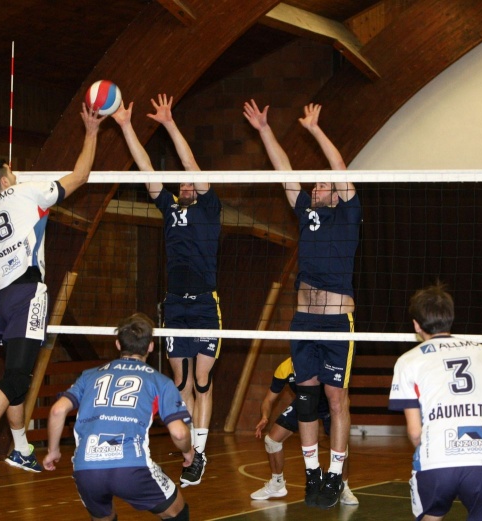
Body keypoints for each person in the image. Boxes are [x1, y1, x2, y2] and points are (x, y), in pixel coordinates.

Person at [0, 103, 105, 487]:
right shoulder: (24, 193)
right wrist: (91, 133)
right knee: (18, 376)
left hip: (1, 300)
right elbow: (81, 176)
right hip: (28, 293)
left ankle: (20, 448)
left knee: (14, 374)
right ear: (5, 180)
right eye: (12, 171)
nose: (16, 174)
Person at [244, 100, 361, 508]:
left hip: (336, 321)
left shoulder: (347, 215)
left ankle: (335, 475)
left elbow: (340, 168)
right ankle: (312, 473)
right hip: (304, 319)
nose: (316, 188)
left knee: (336, 399)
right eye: (316, 185)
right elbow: (284, 172)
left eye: (323, 186)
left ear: (338, 195)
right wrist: (264, 129)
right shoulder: (307, 211)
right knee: (307, 399)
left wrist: (314, 130)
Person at [112, 94, 222, 486]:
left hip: (205, 303)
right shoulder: (170, 207)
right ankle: (190, 450)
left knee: (202, 380)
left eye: (191, 181)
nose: (186, 183)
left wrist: (170, 124)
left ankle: (201, 452)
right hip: (175, 304)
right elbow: (145, 168)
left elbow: (191, 164)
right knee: (181, 383)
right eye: (182, 181)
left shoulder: (209, 208)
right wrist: (126, 126)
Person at [43, 313, 193, 521]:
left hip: (87, 467)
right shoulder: (160, 381)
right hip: (132, 466)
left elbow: (57, 411)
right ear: (150, 346)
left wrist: (53, 451)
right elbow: (179, 433)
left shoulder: (89, 375)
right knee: (177, 512)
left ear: (117, 344)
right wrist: (188, 452)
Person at [389, 283, 482, 521]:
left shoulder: (408, 361)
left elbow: (415, 432)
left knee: (431, 515)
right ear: (451, 318)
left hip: (436, 461)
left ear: (416, 325)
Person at [251, 357, 358, 506]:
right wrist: (264, 416)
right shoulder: (284, 368)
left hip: (329, 406)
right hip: (304, 403)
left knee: (341, 447)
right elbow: (268, 400)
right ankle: (277, 483)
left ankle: (343, 486)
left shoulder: (322, 362)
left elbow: (340, 392)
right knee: (272, 441)